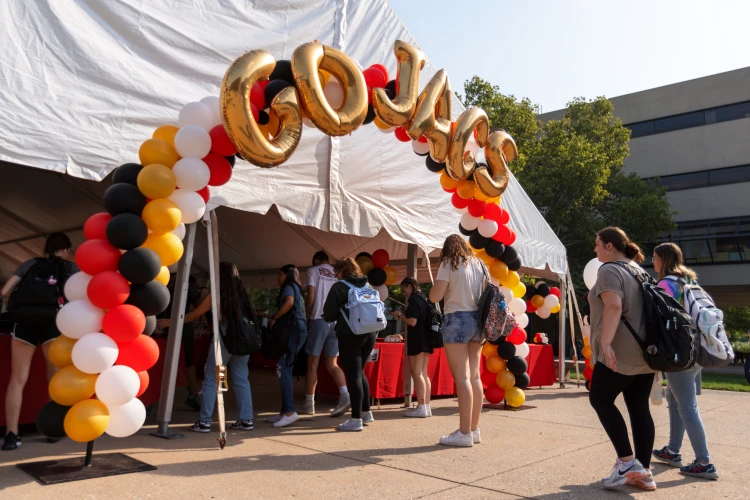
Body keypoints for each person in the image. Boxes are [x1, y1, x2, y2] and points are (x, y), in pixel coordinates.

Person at [587, 227, 656, 490]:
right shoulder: (639, 270)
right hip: (646, 354)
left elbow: (614, 305)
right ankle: (644, 473)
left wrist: (605, 343)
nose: (595, 249)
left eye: (597, 244)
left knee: (600, 398)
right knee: (639, 408)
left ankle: (627, 463)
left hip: (620, 352)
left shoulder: (610, 270)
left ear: (609, 246)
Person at [2, 233, 77, 451]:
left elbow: (5, 291)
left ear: (46, 249)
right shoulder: (70, 269)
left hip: (24, 323)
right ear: (66, 250)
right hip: (52, 324)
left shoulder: (29, 264)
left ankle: (11, 435)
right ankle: (51, 429)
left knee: (17, 380)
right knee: (53, 379)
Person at [651, 242, 719, 480]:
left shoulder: (665, 284)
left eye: (655, 257)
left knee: (687, 406)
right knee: (675, 398)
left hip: (678, 352)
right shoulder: (690, 282)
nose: (653, 262)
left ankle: (704, 462)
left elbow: (660, 319)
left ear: (664, 260)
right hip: (697, 348)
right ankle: (672, 450)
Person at [161, 262, 255, 432]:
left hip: (224, 341)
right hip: (243, 341)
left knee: (212, 378)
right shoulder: (242, 295)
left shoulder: (218, 294)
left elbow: (195, 314)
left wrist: (171, 322)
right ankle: (246, 419)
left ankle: (204, 421)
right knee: (241, 379)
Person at [429, 235, 485, 447]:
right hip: (477, 321)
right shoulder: (479, 264)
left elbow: (435, 296)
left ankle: (463, 433)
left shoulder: (448, 263)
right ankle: (473, 429)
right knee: (475, 377)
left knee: (462, 379)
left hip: (456, 319)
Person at [323, 257, 377, 432]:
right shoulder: (367, 285)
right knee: (360, 372)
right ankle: (366, 412)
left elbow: (329, 314)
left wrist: (329, 316)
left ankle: (355, 419)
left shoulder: (339, 287)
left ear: (341, 271)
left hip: (350, 334)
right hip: (370, 332)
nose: (335, 276)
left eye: (335, 273)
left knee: (353, 375)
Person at [301, 251, 350, 417]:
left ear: (315, 259)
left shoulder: (313, 271)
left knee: (313, 363)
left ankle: (309, 404)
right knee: (332, 363)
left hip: (318, 318)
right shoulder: (337, 273)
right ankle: (345, 395)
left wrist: (306, 316)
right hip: (336, 321)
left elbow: (311, 297)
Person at [264, 265, 307, 428]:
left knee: (283, 369)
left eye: (279, 274)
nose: (277, 278)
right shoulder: (297, 287)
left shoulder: (289, 287)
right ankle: (284, 412)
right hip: (298, 331)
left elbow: (289, 303)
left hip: (292, 332)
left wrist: (274, 318)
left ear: (286, 275)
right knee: (285, 369)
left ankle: (290, 412)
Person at [157, 274, 202, 410]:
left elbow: (197, 307)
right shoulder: (159, 279)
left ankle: (194, 396)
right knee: (158, 363)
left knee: (187, 362)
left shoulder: (188, 283)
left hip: (181, 328)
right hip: (160, 326)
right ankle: (151, 398)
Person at [392, 277, 433, 418]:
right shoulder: (424, 298)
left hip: (417, 339)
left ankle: (422, 406)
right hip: (427, 339)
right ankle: (426, 406)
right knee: (423, 373)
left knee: (417, 373)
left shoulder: (415, 300)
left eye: (404, 289)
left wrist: (401, 316)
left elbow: (413, 322)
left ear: (410, 286)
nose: (404, 293)